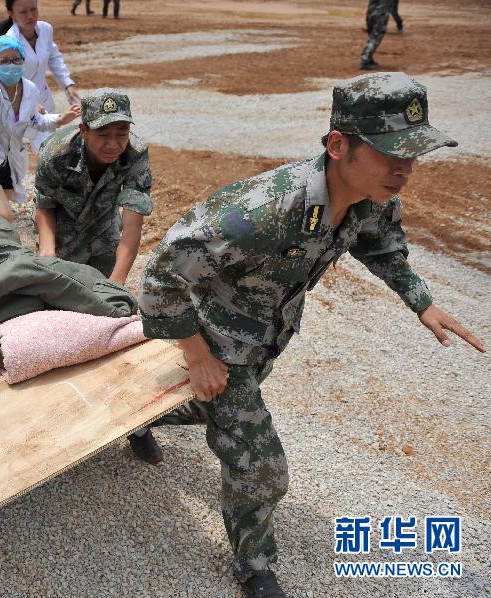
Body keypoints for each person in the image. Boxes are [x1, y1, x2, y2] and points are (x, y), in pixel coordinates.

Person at [135, 72, 486, 598]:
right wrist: (196, 353)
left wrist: (422, 302)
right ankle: (254, 566)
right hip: (219, 341)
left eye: (413, 154)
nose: (404, 169)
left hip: (265, 337)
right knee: (263, 469)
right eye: (391, 152)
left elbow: (382, 245)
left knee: (211, 410)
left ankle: (138, 418)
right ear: (338, 145)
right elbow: (162, 273)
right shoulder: (264, 208)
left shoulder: (374, 193)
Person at [0, 26, 78, 222]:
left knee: (5, 198)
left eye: (16, 59)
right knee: (5, 217)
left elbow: (35, 120)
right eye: (4, 61)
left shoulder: (29, 89)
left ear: (23, 60)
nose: (11, 64)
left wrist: (60, 119)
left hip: (9, 161)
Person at [34, 88, 151, 285]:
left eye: (122, 133)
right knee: (56, 287)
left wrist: (117, 281)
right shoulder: (56, 153)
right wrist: (47, 255)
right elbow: (45, 207)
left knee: (101, 288)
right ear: (84, 131)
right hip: (61, 224)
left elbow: (132, 224)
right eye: (103, 135)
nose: (113, 144)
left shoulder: (135, 154)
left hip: (103, 225)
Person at [3, 0, 80, 152]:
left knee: (49, 146)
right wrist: (27, 100)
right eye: (23, 12)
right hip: (23, 107)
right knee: (46, 149)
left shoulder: (45, 29)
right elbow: (9, 80)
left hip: (45, 99)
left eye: (33, 9)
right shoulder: (9, 42)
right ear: (11, 14)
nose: (30, 16)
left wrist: (67, 83)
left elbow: (53, 57)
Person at [360, 0, 394, 70]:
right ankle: (365, 60)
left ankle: (369, 58)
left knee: (372, 37)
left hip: (370, 14)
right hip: (380, 15)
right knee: (375, 38)